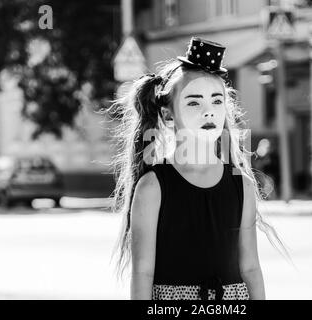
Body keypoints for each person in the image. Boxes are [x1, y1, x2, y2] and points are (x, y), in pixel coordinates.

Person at [111, 37, 291, 300]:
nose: (209, 112)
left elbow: (250, 267)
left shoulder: (242, 185)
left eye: (217, 101)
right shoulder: (153, 187)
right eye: (194, 102)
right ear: (168, 115)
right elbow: (143, 273)